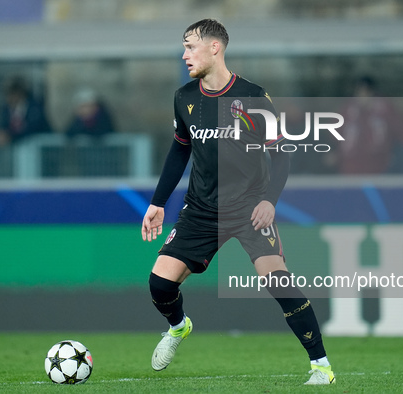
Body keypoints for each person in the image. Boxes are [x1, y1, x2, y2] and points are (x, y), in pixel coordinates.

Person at [141, 19, 334, 386]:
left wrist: (269, 201)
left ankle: (321, 366)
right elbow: (179, 151)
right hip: (201, 210)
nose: (184, 55)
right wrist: (158, 202)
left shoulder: (253, 97)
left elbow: (281, 156)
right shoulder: (185, 98)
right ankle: (179, 327)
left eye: (190, 47)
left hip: (249, 208)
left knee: (278, 282)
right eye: (183, 48)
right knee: (159, 286)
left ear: (215, 48)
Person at [0, 77, 51, 146]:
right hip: (16, 150)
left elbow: (34, 128)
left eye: (11, 94)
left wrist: (11, 136)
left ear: (19, 93)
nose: (8, 98)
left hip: (36, 147)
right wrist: (1, 132)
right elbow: (3, 124)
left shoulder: (35, 107)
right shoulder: (6, 109)